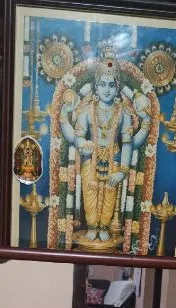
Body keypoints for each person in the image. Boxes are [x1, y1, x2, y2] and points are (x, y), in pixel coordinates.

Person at [59, 46, 151, 243]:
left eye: (111, 85)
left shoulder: (124, 113)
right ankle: (92, 225)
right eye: (102, 84)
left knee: (109, 195)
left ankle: (104, 226)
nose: (106, 90)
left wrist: (123, 171)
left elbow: (128, 143)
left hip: (115, 159)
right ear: (96, 85)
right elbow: (77, 136)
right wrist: (82, 141)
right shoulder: (86, 110)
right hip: (90, 160)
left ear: (117, 86)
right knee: (90, 194)